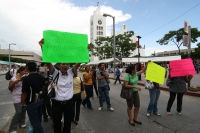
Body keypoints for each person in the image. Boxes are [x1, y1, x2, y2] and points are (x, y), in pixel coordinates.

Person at [38, 38, 88, 133]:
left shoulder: (71, 72)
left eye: (67, 64)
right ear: (59, 66)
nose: (65, 65)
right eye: (63, 64)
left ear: (69, 66)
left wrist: (85, 50)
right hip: (57, 104)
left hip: (69, 103)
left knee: (67, 124)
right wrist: (43, 47)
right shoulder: (55, 73)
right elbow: (48, 62)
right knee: (57, 124)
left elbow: (79, 62)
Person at [21, 61, 45, 133]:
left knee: (34, 121)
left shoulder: (26, 79)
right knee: (38, 117)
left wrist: (22, 102)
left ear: (27, 68)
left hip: (31, 102)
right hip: (40, 100)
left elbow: (24, 93)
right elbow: (43, 87)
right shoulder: (41, 77)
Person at [124, 62, 149, 126]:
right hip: (130, 93)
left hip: (136, 93)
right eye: (135, 68)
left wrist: (147, 64)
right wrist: (135, 86)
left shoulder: (136, 74)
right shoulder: (127, 76)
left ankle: (135, 118)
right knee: (130, 107)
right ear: (132, 70)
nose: (136, 69)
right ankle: (130, 119)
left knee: (137, 106)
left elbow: (143, 70)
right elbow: (126, 85)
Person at [8, 66, 27, 133]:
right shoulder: (14, 78)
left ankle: (22, 122)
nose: (26, 72)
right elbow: (10, 88)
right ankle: (12, 128)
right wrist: (15, 82)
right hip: (16, 97)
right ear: (21, 71)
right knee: (18, 111)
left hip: (24, 96)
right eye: (25, 71)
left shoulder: (25, 78)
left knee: (23, 110)